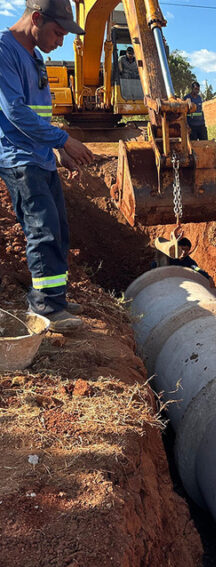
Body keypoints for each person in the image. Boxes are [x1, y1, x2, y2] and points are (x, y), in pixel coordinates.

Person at [0, 0, 94, 333]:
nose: (61, 41)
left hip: (41, 158)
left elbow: (38, 114)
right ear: (36, 18)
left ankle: (54, 296)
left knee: (58, 230)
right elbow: (15, 113)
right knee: (42, 230)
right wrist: (62, 140)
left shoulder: (36, 56)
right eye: (57, 32)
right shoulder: (4, 51)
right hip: (20, 160)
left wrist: (56, 153)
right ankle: (46, 310)